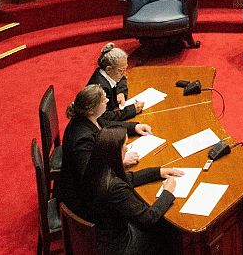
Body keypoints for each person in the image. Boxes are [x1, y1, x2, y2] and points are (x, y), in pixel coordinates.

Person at [81, 126, 186, 255]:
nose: (127, 148)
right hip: (119, 245)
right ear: (115, 151)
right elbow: (149, 218)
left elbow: (129, 178)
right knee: (167, 230)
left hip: (102, 232)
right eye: (125, 145)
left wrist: (158, 172)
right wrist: (167, 193)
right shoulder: (115, 187)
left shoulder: (96, 169)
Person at [54, 85, 153, 221]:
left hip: (90, 186)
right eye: (103, 100)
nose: (107, 100)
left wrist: (134, 127)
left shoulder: (90, 117)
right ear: (91, 108)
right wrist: (119, 160)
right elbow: (89, 178)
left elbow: (107, 125)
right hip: (82, 200)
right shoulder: (82, 139)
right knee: (135, 205)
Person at [89, 43, 139, 123]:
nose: (125, 73)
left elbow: (122, 78)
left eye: (125, 69)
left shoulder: (105, 72)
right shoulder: (101, 88)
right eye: (121, 70)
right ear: (108, 69)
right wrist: (132, 110)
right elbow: (104, 117)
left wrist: (120, 92)